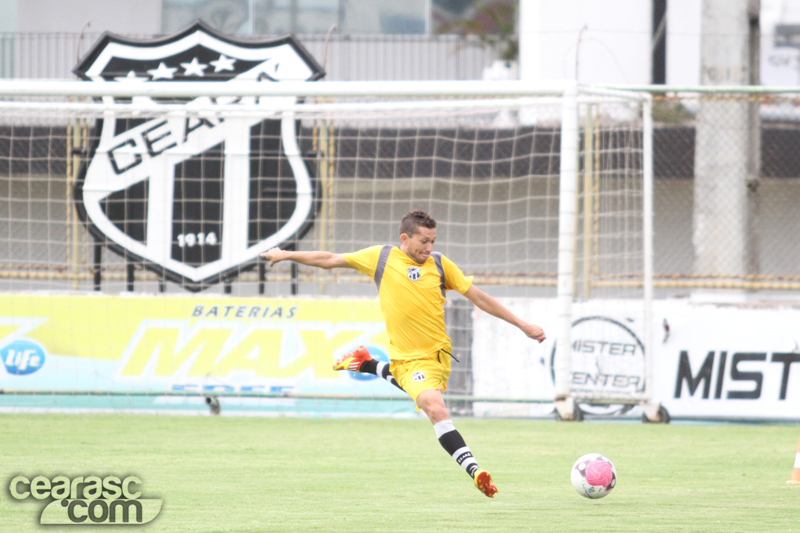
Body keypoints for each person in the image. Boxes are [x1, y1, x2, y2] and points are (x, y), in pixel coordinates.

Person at [260, 210, 545, 498]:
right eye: (424, 241)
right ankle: (371, 366)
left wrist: (522, 325)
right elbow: (330, 260)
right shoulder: (380, 258)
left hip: (434, 357)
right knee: (427, 399)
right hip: (402, 358)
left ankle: (371, 366)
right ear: (405, 238)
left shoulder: (441, 265)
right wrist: (285, 254)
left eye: (433, 241)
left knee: (431, 403)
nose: (430, 248)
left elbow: (479, 297)